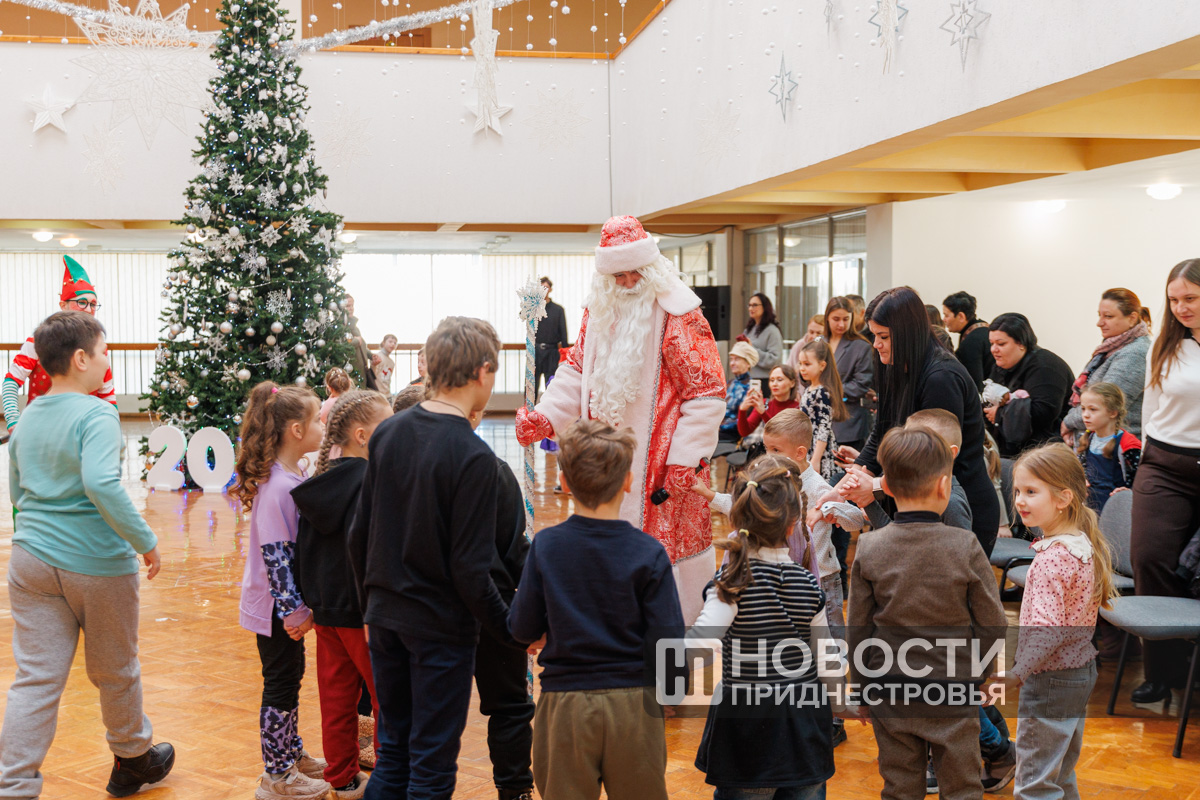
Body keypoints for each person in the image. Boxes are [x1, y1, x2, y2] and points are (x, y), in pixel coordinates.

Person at [515, 216, 726, 625]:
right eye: (619, 275)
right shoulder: (597, 310)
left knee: (659, 576)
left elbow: (706, 392)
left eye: (636, 273)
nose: (628, 283)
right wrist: (545, 416)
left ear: (651, 268)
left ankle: (666, 639)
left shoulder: (681, 315)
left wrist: (684, 458)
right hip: (605, 460)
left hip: (661, 467)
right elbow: (577, 369)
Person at [0, 311, 173, 799]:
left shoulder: (27, 416)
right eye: (103, 352)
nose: (106, 361)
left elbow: (17, 489)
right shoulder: (97, 414)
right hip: (95, 564)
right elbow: (101, 483)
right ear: (80, 359)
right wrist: (145, 540)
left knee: (35, 680)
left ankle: (13, 786)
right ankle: (132, 759)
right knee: (116, 669)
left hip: (30, 561)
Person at [348, 316, 514, 799]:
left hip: (384, 619)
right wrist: (511, 631)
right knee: (431, 767)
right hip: (440, 631)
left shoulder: (388, 434)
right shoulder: (475, 457)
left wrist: (368, 610)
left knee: (394, 755)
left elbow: (359, 535)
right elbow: (470, 571)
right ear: (482, 372)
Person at [509, 419, 684, 800]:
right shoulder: (649, 552)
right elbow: (669, 640)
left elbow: (522, 628)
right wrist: (671, 693)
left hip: (566, 703)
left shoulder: (546, 546)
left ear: (565, 482)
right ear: (628, 481)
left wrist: (547, 629)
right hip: (635, 704)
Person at [847, 427, 1007, 800]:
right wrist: (982, 674)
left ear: (886, 487)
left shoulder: (869, 547)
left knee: (899, 786)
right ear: (944, 485)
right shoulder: (965, 545)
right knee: (962, 787)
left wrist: (862, 689)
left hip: (889, 687)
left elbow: (858, 629)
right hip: (952, 687)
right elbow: (993, 622)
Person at [691, 458, 843, 798]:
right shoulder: (808, 584)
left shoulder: (731, 581)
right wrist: (842, 703)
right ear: (792, 526)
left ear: (736, 519)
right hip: (805, 729)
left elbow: (699, 642)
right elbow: (827, 658)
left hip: (747, 731)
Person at [987, 444, 1117, 800]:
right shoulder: (1079, 544)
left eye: (1031, 491)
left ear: (1063, 498)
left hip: (1050, 678)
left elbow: (1048, 630)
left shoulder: (1051, 560)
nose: (1020, 501)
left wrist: (1018, 673)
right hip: (1079, 672)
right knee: (1057, 772)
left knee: (1035, 783)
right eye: (1017, 491)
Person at [291, 390, 393, 799]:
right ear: (362, 435)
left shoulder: (317, 484)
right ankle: (389, 777)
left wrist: (312, 601)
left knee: (336, 700)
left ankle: (343, 779)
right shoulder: (374, 484)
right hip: (366, 614)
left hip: (327, 613)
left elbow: (302, 551)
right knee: (388, 698)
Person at [231, 381, 330, 799]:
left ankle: (290, 754)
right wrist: (295, 611)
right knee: (280, 684)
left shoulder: (291, 476)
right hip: (276, 607)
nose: (323, 426)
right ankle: (276, 775)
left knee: (290, 678)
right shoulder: (278, 488)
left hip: (281, 605)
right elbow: (276, 558)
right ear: (296, 430)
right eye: (317, 420)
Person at [843, 287, 1000, 553]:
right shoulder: (893, 365)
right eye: (874, 335)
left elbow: (928, 462)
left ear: (907, 333)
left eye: (883, 336)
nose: (876, 344)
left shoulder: (941, 377)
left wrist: (875, 486)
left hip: (959, 505)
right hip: (916, 503)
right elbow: (882, 431)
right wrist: (846, 486)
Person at [1128, 259, 1200, 706]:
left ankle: (1193, 671)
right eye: (1174, 300)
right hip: (1165, 465)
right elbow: (1150, 409)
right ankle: (1161, 673)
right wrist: (1144, 460)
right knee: (1150, 558)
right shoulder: (1167, 344)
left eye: (1190, 298)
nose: (1180, 308)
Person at [2, 256, 116, 431]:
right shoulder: (37, 342)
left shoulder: (98, 347)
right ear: (63, 305)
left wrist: (111, 428)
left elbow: (107, 395)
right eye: (82, 302)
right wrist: (13, 420)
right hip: (39, 428)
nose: (88, 309)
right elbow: (11, 382)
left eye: (93, 304)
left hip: (83, 430)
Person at [1061, 288, 1152, 442]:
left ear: (1132, 318)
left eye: (1108, 316)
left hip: (1117, 445)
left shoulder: (1135, 353)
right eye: (1100, 315)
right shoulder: (1111, 347)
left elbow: (1104, 402)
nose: (1099, 323)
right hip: (1098, 439)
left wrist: (1068, 422)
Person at [985, 313, 1074, 458]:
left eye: (1001, 344)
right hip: (1013, 449)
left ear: (1021, 343)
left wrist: (1000, 415)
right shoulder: (1001, 365)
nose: (993, 349)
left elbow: (1043, 413)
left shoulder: (1047, 366)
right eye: (991, 343)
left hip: (1044, 453)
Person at [1074, 383, 1141, 514]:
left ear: (1113, 412)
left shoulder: (1128, 445)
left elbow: (1141, 481)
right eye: (1083, 409)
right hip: (1090, 509)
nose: (1085, 415)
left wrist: (1129, 492)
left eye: (1093, 409)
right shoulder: (1087, 439)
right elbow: (1081, 469)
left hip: (1116, 511)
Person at [824, 296, 874, 454]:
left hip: (848, 421)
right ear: (827, 318)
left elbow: (861, 384)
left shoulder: (861, 346)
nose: (841, 324)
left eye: (846, 319)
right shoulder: (819, 342)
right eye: (836, 319)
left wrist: (829, 391)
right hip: (821, 418)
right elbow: (805, 373)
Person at [796, 338, 847, 482]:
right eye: (800, 363)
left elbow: (824, 427)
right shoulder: (809, 389)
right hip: (809, 445)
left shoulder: (822, 392)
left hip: (820, 451)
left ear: (822, 365)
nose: (802, 368)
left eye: (807, 364)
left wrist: (816, 459)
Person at [942, 291, 994, 393]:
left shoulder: (971, 342)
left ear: (961, 316)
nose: (944, 320)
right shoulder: (984, 329)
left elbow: (974, 384)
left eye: (946, 315)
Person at [736, 364, 800, 438]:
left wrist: (763, 413)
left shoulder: (797, 407)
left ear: (792, 383)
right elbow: (744, 432)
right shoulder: (764, 403)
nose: (774, 384)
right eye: (772, 380)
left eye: (779, 380)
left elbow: (781, 435)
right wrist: (742, 410)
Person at [534, 276, 569, 401]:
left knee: (551, 383)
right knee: (532, 382)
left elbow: (563, 332)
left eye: (546, 288)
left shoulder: (558, 310)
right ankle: (529, 409)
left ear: (550, 290)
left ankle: (550, 408)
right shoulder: (533, 308)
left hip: (552, 352)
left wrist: (565, 354)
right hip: (535, 351)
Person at [740, 291, 783, 393]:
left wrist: (752, 350)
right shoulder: (749, 330)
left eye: (755, 305)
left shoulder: (772, 331)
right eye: (749, 305)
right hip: (749, 379)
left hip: (766, 381)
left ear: (765, 307)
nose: (751, 308)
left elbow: (774, 360)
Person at [720, 341, 759, 443]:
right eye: (731, 359)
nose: (732, 363)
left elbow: (747, 419)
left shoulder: (752, 388)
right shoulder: (729, 383)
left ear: (748, 363)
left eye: (737, 359)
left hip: (733, 436)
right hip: (718, 431)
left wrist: (720, 426)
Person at [344, 295, 379, 392]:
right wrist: (356, 341)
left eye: (352, 305)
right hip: (350, 373)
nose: (351, 308)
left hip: (361, 373)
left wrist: (371, 355)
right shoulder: (339, 327)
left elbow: (361, 345)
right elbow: (341, 346)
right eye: (348, 306)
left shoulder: (355, 328)